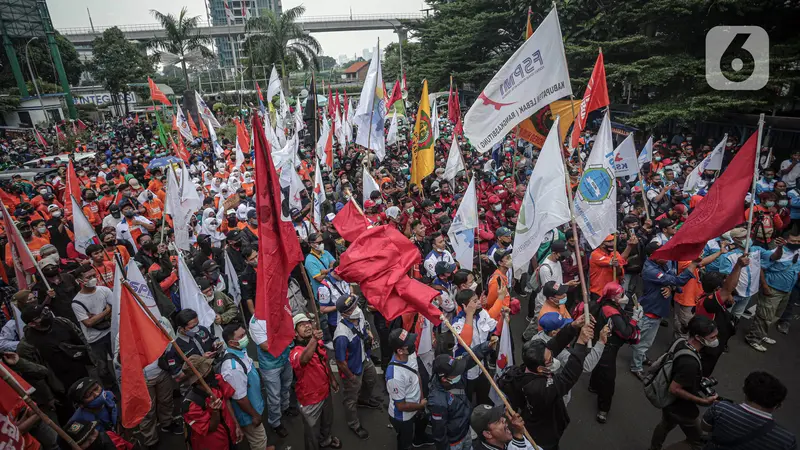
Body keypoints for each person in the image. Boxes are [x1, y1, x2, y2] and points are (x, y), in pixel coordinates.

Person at [498, 315, 594, 450]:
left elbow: (553, 346)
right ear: (540, 368)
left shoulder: (527, 367)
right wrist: (580, 344)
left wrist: (572, 327)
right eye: (550, 360)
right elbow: (567, 377)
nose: (553, 359)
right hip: (543, 437)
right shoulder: (538, 388)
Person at [649, 316, 720, 450]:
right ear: (698, 337)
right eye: (712, 337)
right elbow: (674, 389)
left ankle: (654, 447)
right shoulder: (690, 363)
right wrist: (702, 401)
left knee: (665, 424)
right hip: (681, 407)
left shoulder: (680, 342)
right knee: (697, 441)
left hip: (668, 403)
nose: (715, 340)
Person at [631, 243, 698, 379]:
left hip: (657, 310)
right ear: (652, 256)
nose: (668, 258)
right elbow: (677, 280)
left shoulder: (662, 264)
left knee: (647, 341)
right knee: (642, 343)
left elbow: (674, 284)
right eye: (664, 255)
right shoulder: (651, 270)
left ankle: (641, 358)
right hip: (650, 311)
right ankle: (636, 367)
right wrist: (692, 265)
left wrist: (671, 288)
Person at [588, 282, 641, 424]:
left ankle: (593, 385)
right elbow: (625, 332)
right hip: (608, 346)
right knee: (608, 378)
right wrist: (635, 320)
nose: (624, 296)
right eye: (621, 294)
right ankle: (603, 408)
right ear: (612, 298)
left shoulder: (605, 304)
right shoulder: (610, 311)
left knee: (597, 364)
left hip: (600, 342)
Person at [701, 371, 796, 450]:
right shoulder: (786, 440)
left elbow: (705, 428)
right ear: (778, 405)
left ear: (745, 391)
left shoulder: (720, 409)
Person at [289, 313, 341, 450]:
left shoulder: (318, 342)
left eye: (308, 323)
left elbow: (324, 361)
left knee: (327, 421)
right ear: (295, 333)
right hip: (310, 399)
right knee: (312, 431)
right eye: (301, 325)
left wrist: (332, 379)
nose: (307, 326)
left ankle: (326, 440)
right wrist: (313, 339)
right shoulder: (295, 352)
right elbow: (304, 359)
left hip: (325, 392)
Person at [333, 294, 380, 439]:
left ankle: (364, 399)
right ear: (345, 314)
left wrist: (369, 334)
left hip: (364, 359)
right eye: (352, 308)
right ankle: (354, 424)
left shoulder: (358, 318)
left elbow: (365, 328)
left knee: (371, 379)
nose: (356, 308)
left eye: (355, 305)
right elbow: (340, 361)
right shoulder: (341, 335)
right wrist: (351, 377)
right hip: (353, 368)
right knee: (350, 398)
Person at [746, 232, 800, 352]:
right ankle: (753, 338)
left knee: (775, 315)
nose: (796, 244)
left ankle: (762, 334)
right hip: (772, 289)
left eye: (798, 242)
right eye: (793, 241)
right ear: (785, 241)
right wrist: (765, 286)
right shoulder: (776, 253)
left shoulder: (798, 253)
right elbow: (761, 267)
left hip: (787, 291)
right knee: (764, 316)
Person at [248, 307, 296, 437]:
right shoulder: (255, 322)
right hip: (270, 366)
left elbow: (290, 332)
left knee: (286, 386)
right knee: (274, 396)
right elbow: (266, 346)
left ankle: (285, 408)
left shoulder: (279, 312)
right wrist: (285, 336)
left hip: (285, 358)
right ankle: (275, 422)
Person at [220, 324, 269, 450]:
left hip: (254, 403)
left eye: (244, 334)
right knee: (259, 439)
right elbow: (240, 399)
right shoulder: (233, 368)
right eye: (241, 336)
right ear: (232, 342)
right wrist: (255, 415)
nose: (245, 337)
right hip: (248, 414)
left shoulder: (240, 350)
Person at [181, 355, 244, 450]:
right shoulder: (191, 404)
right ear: (198, 380)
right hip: (215, 445)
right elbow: (211, 428)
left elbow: (226, 401)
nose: (211, 369)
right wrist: (215, 412)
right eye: (207, 369)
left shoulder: (217, 381)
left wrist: (236, 425)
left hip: (230, 436)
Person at [386, 328, 433, 450]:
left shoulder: (409, 354)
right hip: (403, 417)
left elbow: (417, 375)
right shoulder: (395, 376)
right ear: (400, 351)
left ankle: (419, 439)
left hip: (417, 406)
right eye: (409, 344)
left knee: (420, 425)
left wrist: (421, 398)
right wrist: (421, 406)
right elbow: (401, 406)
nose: (413, 345)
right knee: (405, 442)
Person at [70, 266, 115, 388]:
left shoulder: (104, 291)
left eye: (94, 276)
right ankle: (111, 389)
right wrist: (106, 311)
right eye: (88, 277)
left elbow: (115, 309)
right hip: (95, 339)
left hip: (111, 332)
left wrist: (96, 317)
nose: (93, 279)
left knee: (119, 361)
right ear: (80, 280)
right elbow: (88, 323)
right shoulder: (77, 302)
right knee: (102, 368)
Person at [471, 405, 540, 450]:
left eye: (501, 416)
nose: (504, 419)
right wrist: (518, 437)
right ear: (488, 434)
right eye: (498, 421)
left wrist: (519, 435)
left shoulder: (505, 438)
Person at [589, 234, 633, 300]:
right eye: (609, 242)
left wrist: (629, 246)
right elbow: (612, 262)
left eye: (613, 241)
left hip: (613, 292)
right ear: (601, 244)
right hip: (599, 292)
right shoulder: (595, 254)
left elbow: (621, 261)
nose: (613, 243)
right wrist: (628, 247)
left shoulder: (615, 253)